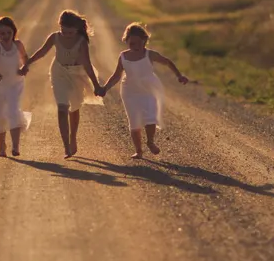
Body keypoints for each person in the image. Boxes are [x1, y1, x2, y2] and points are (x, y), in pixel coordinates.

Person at [100, 23, 189, 159]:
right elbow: (117, 75)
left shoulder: (150, 54)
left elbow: (167, 62)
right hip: (129, 91)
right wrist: (105, 88)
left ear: (144, 41)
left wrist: (179, 76)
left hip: (148, 89)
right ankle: (138, 151)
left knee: (150, 117)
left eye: (137, 43)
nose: (134, 46)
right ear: (126, 41)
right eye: (131, 43)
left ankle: (150, 141)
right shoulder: (123, 56)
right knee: (134, 120)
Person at [24, 9, 103, 158]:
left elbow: (87, 63)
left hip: (76, 74)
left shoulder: (81, 40)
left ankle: (73, 137)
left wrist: (96, 85)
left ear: (76, 29)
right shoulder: (54, 37)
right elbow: (42, 51)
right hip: (58, 72)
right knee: (62, 107)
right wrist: (27, 63)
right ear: (59, 26)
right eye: (64, 31)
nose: (66, 35)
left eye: (70, 33)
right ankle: (66, 146)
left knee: (74, 108)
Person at [0, 15, 30, 157]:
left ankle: (15, 147)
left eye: (9, 33)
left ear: (14, 31)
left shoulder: (18, 45)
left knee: (13, 111)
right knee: (0, 115)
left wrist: (24, 68)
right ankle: (2, 146)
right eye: (2, 33)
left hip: (15, 84)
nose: (6, 36)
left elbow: (26, 60)